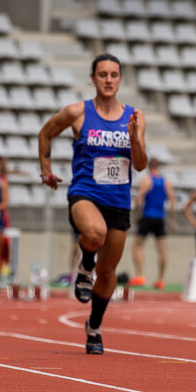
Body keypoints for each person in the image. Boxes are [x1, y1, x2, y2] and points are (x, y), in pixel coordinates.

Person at [38, 53, 147, 354]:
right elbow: (45, 132)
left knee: (109, 273)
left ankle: (94, 327)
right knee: (94, 233)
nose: (108, 80)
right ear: (93, 78)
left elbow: (140, 165)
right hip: (85, 193)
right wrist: (45, 169)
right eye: (102, 75)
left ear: (120, 79)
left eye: (114, 75)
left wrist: (134, 138)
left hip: (119, 201)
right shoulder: (78, 112)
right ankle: (86, 264)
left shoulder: (135, 116)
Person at [131, 158, 176, 289]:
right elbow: (172, 200)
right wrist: (172, 219)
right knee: (162, 250)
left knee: (137, 246)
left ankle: (140, 275)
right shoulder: (165, 182)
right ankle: (160, 279)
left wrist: (137, 216)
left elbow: (139, 199)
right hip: (160, 218)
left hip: (147, 216)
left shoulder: (146, 180)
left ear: (149, 167)